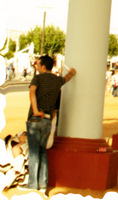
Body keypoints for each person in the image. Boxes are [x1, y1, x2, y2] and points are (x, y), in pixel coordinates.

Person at [26, 55, 76, 192]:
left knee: (34, 153)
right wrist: (71, 72)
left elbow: (32, 93)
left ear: (43, 66)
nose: (36, 67)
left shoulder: (37, 78)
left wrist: (35, 110)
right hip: (47, 119)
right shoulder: (57, 80)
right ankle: (43, 185)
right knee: (42, 152)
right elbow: (67, 78)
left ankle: (32, 185)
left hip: (36, 119)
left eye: (37, 64)